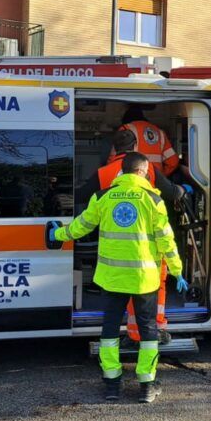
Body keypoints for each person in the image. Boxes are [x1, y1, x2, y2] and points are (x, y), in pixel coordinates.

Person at [50, 152, 187, 403]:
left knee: (110, 329)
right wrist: (177, 271)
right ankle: (147, 385)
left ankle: (112, 384)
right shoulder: (154, 200)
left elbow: (81, 226)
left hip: (112, 278)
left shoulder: (103, 197)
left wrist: (57, 235)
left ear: (121, 171)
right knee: (147, 331)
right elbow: (166, 240)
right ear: (143, 171)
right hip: (144, 279)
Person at [81, 129, 187, 347]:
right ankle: (151, 334)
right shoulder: (148, 172)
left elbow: (81, 196)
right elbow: (171, 195)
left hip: (113, 250)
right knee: (151, 292)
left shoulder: (103, 173)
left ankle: (125, 343)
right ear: (136, 148)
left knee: (115, 305)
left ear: (113, 150)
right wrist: (183, 190)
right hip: (146, 253)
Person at [114, 105, 180, 176]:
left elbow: (114, 159)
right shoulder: (159, 132)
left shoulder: (125, 129)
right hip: (155, 182)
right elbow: (173, 162)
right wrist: (161, 176)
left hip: (134, 180)